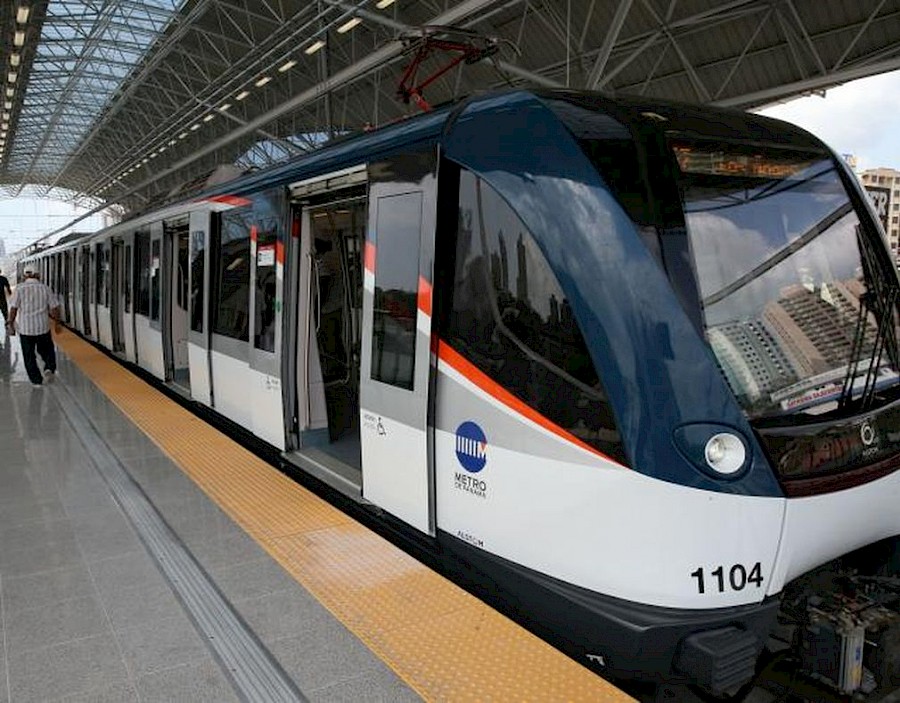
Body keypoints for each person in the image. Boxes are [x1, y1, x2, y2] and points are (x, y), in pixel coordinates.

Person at [6, 267, 61, 387]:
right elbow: (54, 308)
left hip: (26, 329)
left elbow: (13, 308)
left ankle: (36, 381)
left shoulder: (19, 289)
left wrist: (11, 323)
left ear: (25, 276)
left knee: (29, 355)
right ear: (38, 275)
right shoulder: (44, 288)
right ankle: (49, 368)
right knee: (47, 350)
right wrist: (57, 323)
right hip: (42, 327)